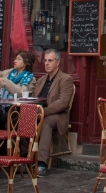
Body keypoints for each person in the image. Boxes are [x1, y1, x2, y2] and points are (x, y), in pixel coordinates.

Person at [35, 48, 74, 178]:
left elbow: (63, 103)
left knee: (45, 123)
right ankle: (24, 156)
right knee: (17, 119)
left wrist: (43, 112)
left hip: (57, 115)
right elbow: (34, 98)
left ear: (57, 62)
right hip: (39, 112)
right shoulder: (41, 80)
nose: (46, 63)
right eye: (45, 60)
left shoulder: (65, 79)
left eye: (50, 60)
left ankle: (41, 163)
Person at [0, 50, 36, 131]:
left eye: (18, 59)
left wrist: (6, 82)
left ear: (26, 63)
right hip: (1, 106)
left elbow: (22, 93)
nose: (15, 61)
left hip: (17, 109)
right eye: (15, 59)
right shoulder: (9, 72)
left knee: (1, 119)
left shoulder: (29, 78)